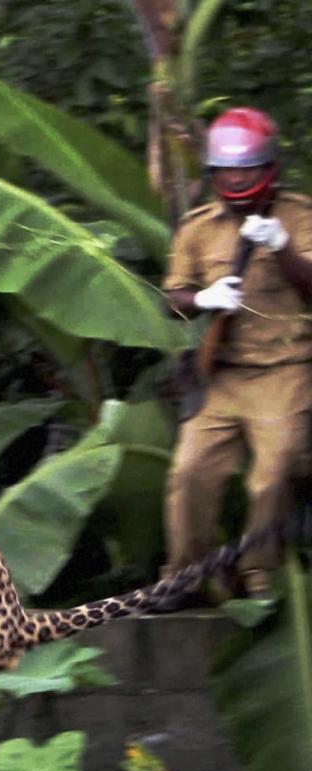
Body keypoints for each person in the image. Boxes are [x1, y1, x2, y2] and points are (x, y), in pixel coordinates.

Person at [162, 106, 312, 599]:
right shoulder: (198, 227)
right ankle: (186, 574)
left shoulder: (298, 214)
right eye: (226, 169)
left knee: (274, 472)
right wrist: (203, 299)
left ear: (268, 167)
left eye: (246, 168)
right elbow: (173, 302)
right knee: (189, 472)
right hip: (221, 374)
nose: (236, 177)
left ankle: (257, 572)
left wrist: (284, 247)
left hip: (284, 369)